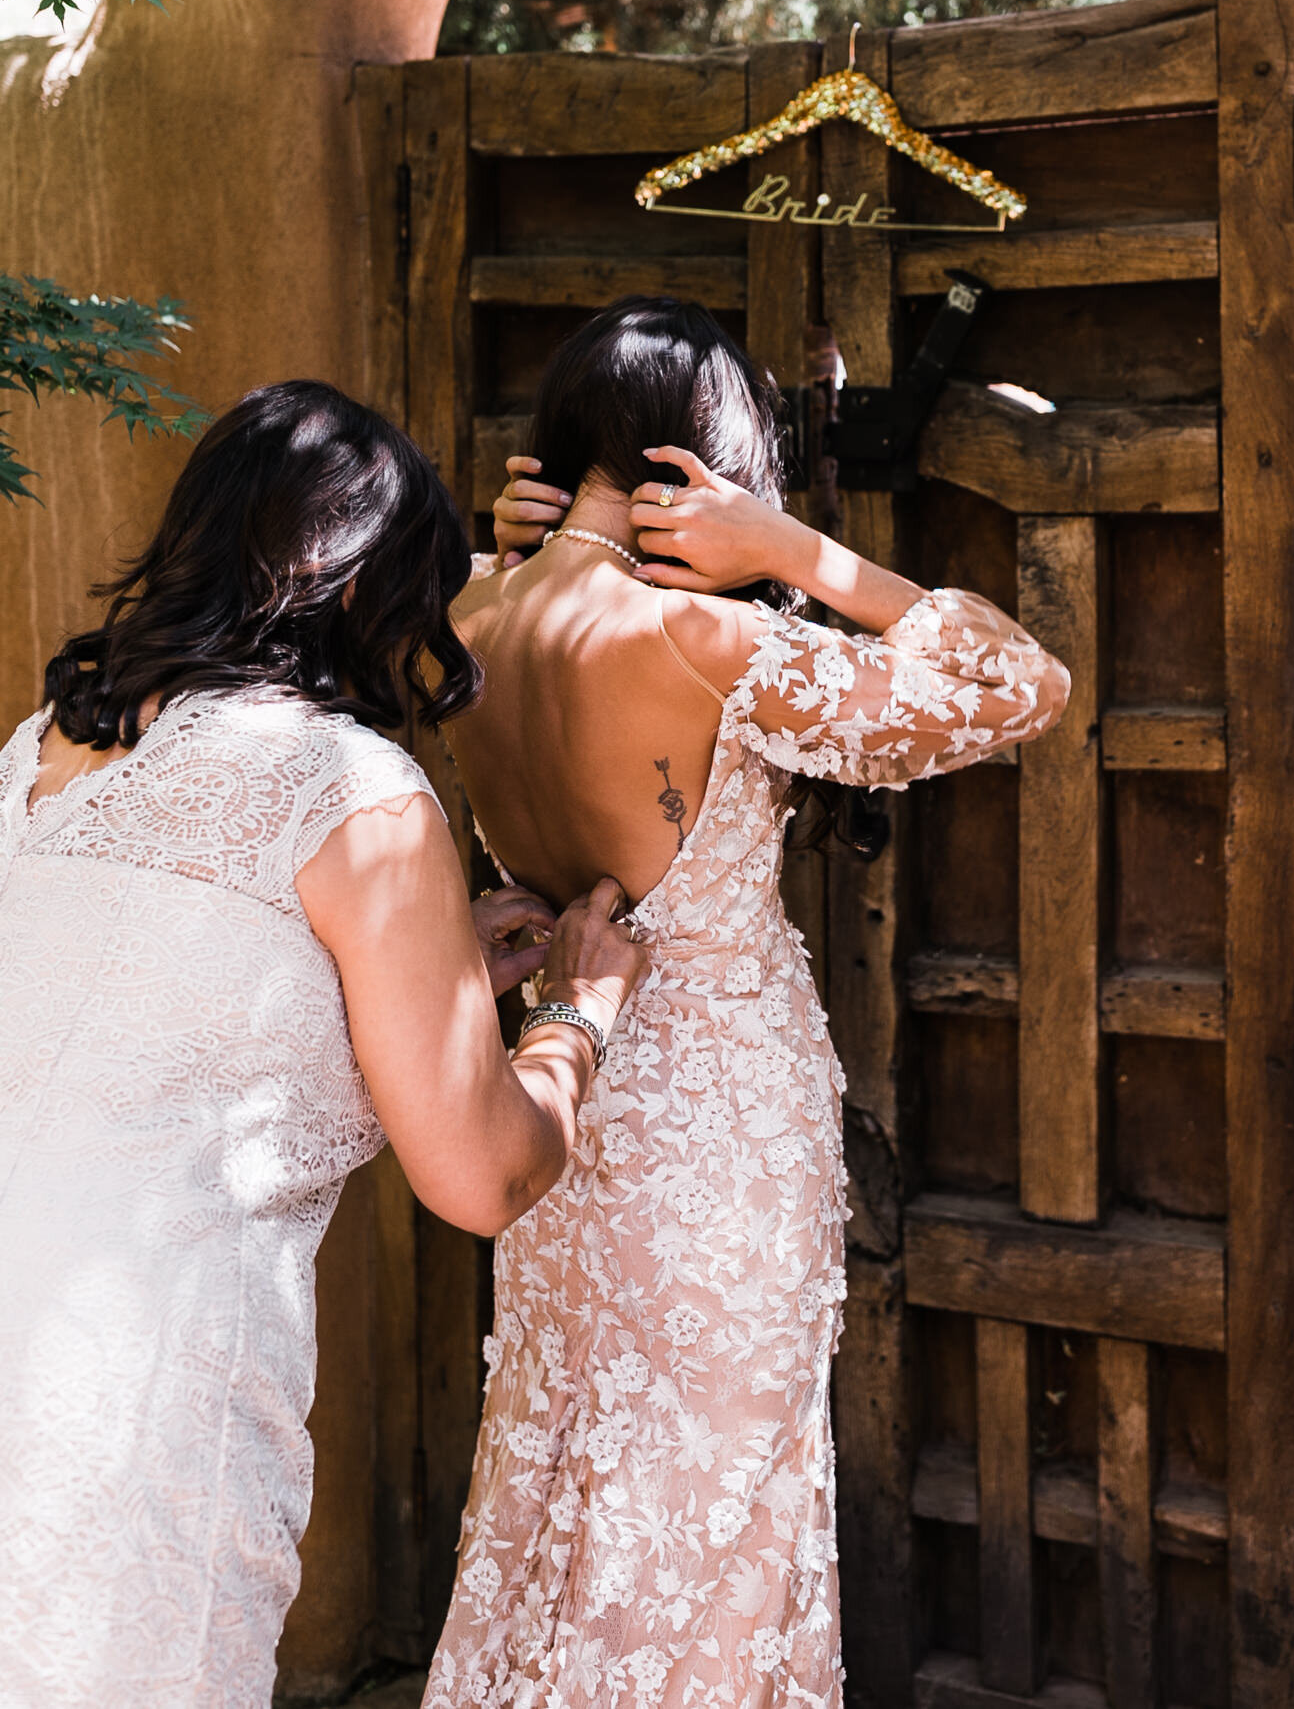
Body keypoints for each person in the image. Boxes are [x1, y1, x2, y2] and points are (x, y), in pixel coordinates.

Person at [0, 381, 646, 1709]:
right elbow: (483, 1176)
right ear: (375, 592)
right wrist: (576, 1013)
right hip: (122, 1407)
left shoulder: (45, 747)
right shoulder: (349, 788)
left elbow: (151, 1019)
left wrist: (430, 968)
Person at [425, 299, 1070, 1709]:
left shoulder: (464, 609)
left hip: (561, 1102)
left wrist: (520, 544)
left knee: (564, 1502)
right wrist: (796, 553)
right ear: (710, 458)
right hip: (719, 1138)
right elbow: (1024, 683)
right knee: (710, 1524)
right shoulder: (708, 645)